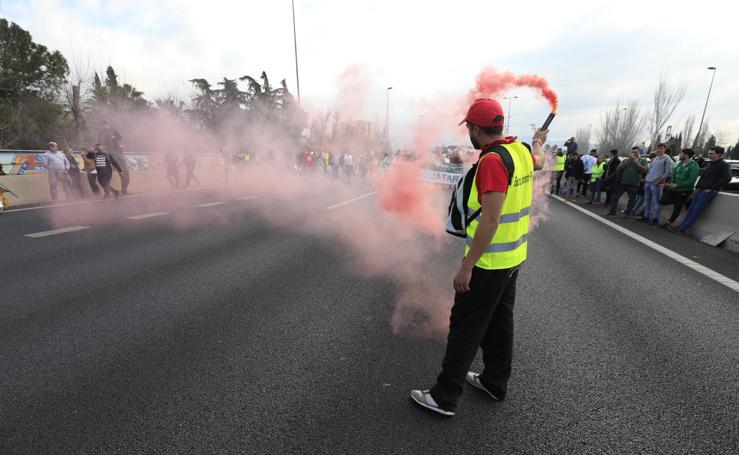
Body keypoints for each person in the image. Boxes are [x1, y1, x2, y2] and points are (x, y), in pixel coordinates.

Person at [410, 98, 546, 417]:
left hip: (488, 263)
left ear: (474, 129)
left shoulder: (492, 162)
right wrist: (539, 139)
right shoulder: (521, 150)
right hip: (513, 258)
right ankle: (494, 382)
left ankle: (445, 396)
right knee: (499, 322)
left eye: (468, 128)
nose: (468, 133)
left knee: (465, 327)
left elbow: (491, 219)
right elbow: (539, 158)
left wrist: (466, 266)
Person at [669, 146, 732, 234]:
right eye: (709, 153)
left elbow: (727, 178)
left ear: (719, 154)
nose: (709, 155)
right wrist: (697, 187)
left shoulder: (724, 165)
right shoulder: (710, 163)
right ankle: (680, 226)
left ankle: (683, 229)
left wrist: (712, 188)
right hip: (700, 189)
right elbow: (703, 177)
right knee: (691, 209)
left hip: (708, 192)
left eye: (711, 154)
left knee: (696, 211)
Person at [662, 148, 699, 230]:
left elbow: (691, 180)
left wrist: (678, 185)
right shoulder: (679, 164)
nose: (680, 155)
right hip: (673, 188)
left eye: (681, 154)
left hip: (684, 190)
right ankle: (677, 201)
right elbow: (674, 175)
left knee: (677, 207)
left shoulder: (693, 166)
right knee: (663, 201)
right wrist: (671, 183)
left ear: (686, 155)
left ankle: (668, 223)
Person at [605, 147, 647, 217]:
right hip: (622, 182)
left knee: (632, 199)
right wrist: (628, 162)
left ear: (639, 153)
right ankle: (612, 212)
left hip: (634, 183)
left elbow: (643, 170)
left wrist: (635, 161)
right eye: (632, 152)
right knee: (615, 197)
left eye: (635, 152)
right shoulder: (625, 160)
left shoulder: (643, 160)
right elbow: (618, 168)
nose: (633, 153)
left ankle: (627, 213)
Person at [638, 143, 673, 225]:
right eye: (657, 148)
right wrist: (646, 179)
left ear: (664, 149)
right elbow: (650, 170)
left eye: (661, 148)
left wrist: (659, 180)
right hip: (648, 182)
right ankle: (646, 216)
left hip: (656, 184)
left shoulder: (667, 159)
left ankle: (655, 219)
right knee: (647, 201)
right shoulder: (654, 159)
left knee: (655, 202)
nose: (658, 150)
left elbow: (668, 172)